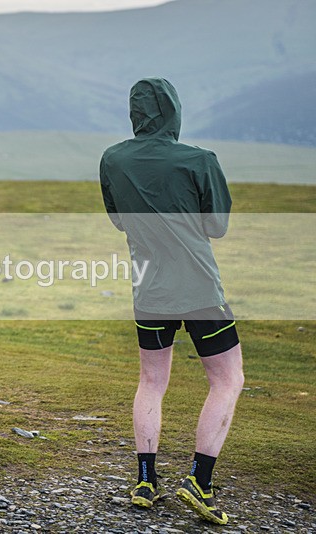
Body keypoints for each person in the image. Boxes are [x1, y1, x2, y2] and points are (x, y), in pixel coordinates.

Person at [99, 77, 245, 525]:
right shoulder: (200, 160)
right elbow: (217, 227)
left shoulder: (113, 159)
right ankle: (199, 483)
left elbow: (120, 222)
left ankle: (146, 480)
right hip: (200, 289)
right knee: (227, 380)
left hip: (150, 290)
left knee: (152, 381)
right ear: (174, 112)